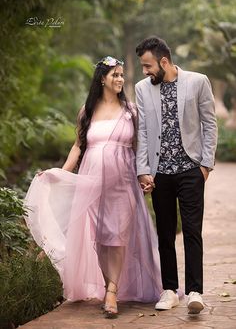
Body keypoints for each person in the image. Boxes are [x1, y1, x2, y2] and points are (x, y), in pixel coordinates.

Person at [24, 56, 163, 319]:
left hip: (123, 181)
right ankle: (106, 281)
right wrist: (59, 174)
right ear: (102, 79)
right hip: (92, 182)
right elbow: (78, 147)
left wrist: (145, 174)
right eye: (115, 75)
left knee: (118, 235)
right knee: (100, 238)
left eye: (122, 75)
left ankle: (112, 290)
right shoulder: (87, 111)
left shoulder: (131, 111)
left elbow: (140, 147)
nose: (120, 79)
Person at [135, 36, 217, 315]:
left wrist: (205, 165)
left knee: (193, 232)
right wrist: (143, 169)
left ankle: (195, 291)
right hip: (160, 174)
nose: (145, 71)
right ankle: (169, 290)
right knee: (165, 233)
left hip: (191, 169)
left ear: (164, 61)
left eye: (147, 66)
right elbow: (144, 132)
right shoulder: (142, 89)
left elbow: (209, 123)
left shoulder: (197, 81)